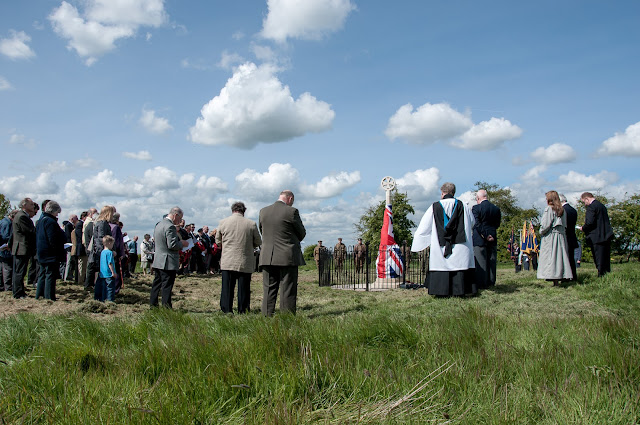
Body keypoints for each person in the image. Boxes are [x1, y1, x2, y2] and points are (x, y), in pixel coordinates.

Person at [411, 182, 476, 297]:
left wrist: (419, 241)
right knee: (460, 264)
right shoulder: (464, 206)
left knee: (442, 264)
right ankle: (460, 291)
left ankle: (441, 291)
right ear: (454, 193)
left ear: (442, 193)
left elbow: (424, 227)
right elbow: (472, 222)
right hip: (461, 245)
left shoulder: (434, 207)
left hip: (440, 244)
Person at [258, 190, 306, 316]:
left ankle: (266, 316)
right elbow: (302, 233)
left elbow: (262, 231)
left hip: (267, 256)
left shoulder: (263, 211)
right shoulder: (292, 211)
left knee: (268, 288)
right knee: (288, 288)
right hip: (287, 256)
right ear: (290, 198)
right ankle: (287, 316)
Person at [215, 202, 262, 314]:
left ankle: (227, 309)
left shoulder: (223, 222)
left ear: (232, 210)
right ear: (244, 211)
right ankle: (243, 309)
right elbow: (258, 241)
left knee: (227, 287)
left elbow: (217, 241)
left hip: (228, 260)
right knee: (244, 288)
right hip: (244, 260)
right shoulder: (251, 224)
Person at [150, 207, 189, 308]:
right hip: (168, 261)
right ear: (175, 215)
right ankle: (166, 307)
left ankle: (153, 304)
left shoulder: (159, 224)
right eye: (180, 219)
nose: (180, 222)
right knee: (167, 285)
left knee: (157, 284)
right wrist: (182, 243)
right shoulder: (170, 226)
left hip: (158, 259)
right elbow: (172, 245)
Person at [537, 191, 573, 286]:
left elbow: (545, 225)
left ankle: (554, 278)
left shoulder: (549, 209)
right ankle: (559, 277)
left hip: (551, 237)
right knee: (559, 258)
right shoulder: (562, 210)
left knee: (551, 258)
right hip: (561, 236)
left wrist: (541, 231)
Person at [35, 200, 66, 300]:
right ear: (53, 211)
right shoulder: (50, 222)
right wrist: (58, 249)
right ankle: (49, 296)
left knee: (42, 274)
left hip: (42, 251)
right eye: (57, 212)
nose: (57, 215)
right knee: (50, 275)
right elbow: (52, 238)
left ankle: (39, 294)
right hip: (50, 253)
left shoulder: (41, 220)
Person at [472, 189, 501, 288]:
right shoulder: (496, 209)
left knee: (481, 262)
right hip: (492, 237)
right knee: (492, 261)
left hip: (480, 238)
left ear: (478, 198)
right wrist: (490, 234)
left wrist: (485, 235)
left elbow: (477, 224)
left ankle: (482, 284)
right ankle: (491, 282)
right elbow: (497, 224)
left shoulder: (476, 208)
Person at [579, 192, 613, 277]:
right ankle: (607, 274)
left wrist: (583, 228)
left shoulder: (591, 207)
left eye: (584, 202)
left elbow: (590, 222)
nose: (585, 204)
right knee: (605, 257)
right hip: (606, 234)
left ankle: (601, 274)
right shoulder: (601, 206)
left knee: (598, 257)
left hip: (596, 236)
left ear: (587, 199)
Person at [12, 198, 37, 299]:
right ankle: (18, 293)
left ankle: (20, 291)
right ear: (24, 205)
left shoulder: (22, 216)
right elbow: (29, 231)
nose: (33, 206)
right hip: (22, 248)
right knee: (20, 271)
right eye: (31, 204)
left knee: (20, 271)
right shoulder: (22, 216)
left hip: (21, 247)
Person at [559, 194, 578, 281]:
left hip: (565, 237)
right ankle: (573, 276)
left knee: (565, 259)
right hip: (572, 236)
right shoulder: (573, 210)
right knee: (571, 258)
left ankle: (567, 277)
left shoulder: (563, 211)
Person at [95, 235, 117, 302]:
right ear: (109, 243)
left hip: (102, 274)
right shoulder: (109, 253)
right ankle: (110, 301)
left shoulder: (102, 252)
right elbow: (110, 263)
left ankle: (102, 299)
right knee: (110, 288)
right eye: (112, 244)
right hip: (109, 274)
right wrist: (113, 272)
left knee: (103, 288)